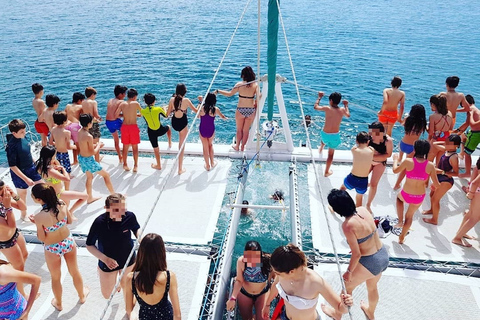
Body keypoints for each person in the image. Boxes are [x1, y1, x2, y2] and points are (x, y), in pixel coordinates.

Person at [327, 189, 388, 320]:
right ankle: (370, 312)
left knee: (346, 287)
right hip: (383, 255)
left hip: (370, 261)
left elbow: (357, 254)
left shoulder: (347, 225)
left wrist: (349, 271)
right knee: (372, 287)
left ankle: (337, 314)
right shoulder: (363, 210)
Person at [29, 183, 88, 311]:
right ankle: (82, 296)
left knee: (56, 277)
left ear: (39, 199)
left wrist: (37, 223)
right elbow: (70, 221)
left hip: (52, 247)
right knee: (75, 271)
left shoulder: (39, 216)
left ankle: (59, 303)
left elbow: (42, 238)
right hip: (67, 241)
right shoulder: (62, 203)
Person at [262, 244, 353, 320]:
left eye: (277, 273)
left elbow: (340, 308)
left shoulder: (316, 282)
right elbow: (275, 286)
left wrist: (346, 305)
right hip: (285, 316)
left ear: (291, 272)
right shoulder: (283, 274)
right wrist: (267, 304)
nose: (275, 275)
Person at [86, 193, 140, 305]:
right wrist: (105, 259)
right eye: (116, 210)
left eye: (123, 209)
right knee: (107, 295)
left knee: (129, 289)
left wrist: (141, 239)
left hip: (128, 259)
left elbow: (136, 229)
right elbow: (89, 245)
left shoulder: (129, 216)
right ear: (106, 208)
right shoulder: (99, 222)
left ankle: (129, 309)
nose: (120, 213)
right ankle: (113, 279)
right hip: (107, 261)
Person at [392, 140, 440, 244]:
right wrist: (433, 186)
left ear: (414, 149)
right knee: (409, 217)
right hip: (419, 196)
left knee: (399, 199)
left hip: (406, 193)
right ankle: (401, 238)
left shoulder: (408, 161)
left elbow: (395, 170)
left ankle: (400, 221)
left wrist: (395, 160)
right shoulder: (430, 165)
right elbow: (437, 185)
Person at [126, 233, 181, 320]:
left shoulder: (131, 278)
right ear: (161, 253)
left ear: (141, 253)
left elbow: (129, 309)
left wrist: (137, 296)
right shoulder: (168, 277)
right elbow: (177, 315)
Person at [35, 145, 89, 219]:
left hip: (54, 191)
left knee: (66, 205)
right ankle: (70, 212)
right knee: (85, 196)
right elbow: (67, 179)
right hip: (59, 193)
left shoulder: (40, 165)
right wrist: (63, 169)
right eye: (55, 154)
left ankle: (67, 216)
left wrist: (55, 162)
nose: (55, 156)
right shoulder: (50, 170)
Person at [6, 119, 43, 221]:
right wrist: (26, 179)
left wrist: (35, 163)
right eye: (22, 132)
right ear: (14, 133)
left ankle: (46, 209)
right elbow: (12, 166)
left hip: (31, 167)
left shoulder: (23, 136)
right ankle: (23, 215)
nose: (24, 133)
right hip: (19, 173)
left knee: (42, 187)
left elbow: (27, 152)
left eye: (24, 131)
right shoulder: (11, 146)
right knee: (23, 194)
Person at [226, 241, 274, 320]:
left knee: (263, 318)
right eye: (249, 256)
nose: (252, 260)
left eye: (255, 256)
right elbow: (239, 280)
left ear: (260, 254)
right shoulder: (242, 261)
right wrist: (233, 298)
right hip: (245, 293)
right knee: (247, 318)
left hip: (263, 293)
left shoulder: (268, 261)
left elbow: (276, 277)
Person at [217, 66, 259, 151]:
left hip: (240, 109)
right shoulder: (255, 85)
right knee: (246, 131)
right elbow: (259, 96)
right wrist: (256, 103)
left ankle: (237, 146)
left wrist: (218, 91)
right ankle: (243, 147)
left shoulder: (239, 85)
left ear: (243, 75)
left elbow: (229, 94)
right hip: (250, 110)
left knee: (239, 130)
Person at [422, 134, 460, 225]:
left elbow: (456, 173)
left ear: (456, 146)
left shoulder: (454, 157)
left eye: (450, 144)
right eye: (447, 143)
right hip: (439, 178)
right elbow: (435, 144)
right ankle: (432, 210)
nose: (447, 145)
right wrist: (447, 143)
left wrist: (442, 172)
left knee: (435, 199)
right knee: (431, 195)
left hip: (446, 180)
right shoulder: (447, 150)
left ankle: (434, 219)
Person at [0, 181, 29, 297]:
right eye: (2, 194)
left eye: (5, 192)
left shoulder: (3, 200)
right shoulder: (4, 203)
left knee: (25, 255)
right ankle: (21, 294)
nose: (4, 196)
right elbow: (10, 227)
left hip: (14, 234)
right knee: (19, 267)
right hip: (6, 242)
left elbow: (23, 207)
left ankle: (12, 277)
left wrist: (14, 196)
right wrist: (8, 207)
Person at [78, 113, 115, 202]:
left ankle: (89, 198)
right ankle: (114, 196)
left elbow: (84, 145)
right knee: (106, 175)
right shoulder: (89, 136)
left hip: (82, 158)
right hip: (89, 160)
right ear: (89, 123)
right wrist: (98, 145)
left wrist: (95, 145)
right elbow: (93, 152)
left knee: (89, 177)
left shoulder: (80, 131)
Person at [314, 91, 350, 177]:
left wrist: (319, 97)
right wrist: (346, 105)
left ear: (330, 101)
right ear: (339, 101)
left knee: (324, 140)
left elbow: (316, 107)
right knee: (330, 154)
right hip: (334, 136)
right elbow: (348, 115)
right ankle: (326, 171)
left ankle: (321, 148)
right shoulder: (342, 110)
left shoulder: (327, 108)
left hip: (325, 133)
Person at [393, 104, 428, 190]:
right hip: (413, 148)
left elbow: (401, 123)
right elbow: (429, 130)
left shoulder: (408, 120)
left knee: (401, 159)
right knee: (405, 168)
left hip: (403, 144)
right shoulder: (422, 124)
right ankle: (397, 184)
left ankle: (398, 162)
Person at [167, 83, 198, 175]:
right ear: (184, 92)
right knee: (181, 145)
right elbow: (197, 111)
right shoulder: (187, 100)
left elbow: (168, 114)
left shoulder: (172, 99)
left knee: (180, 142)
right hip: (183, 123)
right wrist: (200, 102)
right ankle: (180, 168)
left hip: (174, 123)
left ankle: (179, 166)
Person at [365, 122, 393, 214]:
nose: (372, 136)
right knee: (360, 177)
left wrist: (374, 157)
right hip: (369, 161)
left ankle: (368, 204)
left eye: (375, 133)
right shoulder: (369, 138)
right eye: (371, 133)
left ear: (381, 133)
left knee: (373, 184)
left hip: (380, 163)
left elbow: (388, 155)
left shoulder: (388, 141)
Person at [340, 131, 374, 207]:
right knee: (359, 198)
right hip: (363, 181)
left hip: (352, 178)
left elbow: (355, 147)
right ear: (368, 141)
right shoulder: (371, 151)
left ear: (356, 141)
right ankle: (357, 212)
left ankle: (335, 205)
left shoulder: (354, 150)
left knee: (342, 189)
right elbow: (370, 148)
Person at [452, 157, 480, 247]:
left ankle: (461, 233)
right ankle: (457, 238)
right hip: (478, 193)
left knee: (470, 215)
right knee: (474, 218)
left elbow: (475, 171)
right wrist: (471, 193)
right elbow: (475, 182)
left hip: (477, 191)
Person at [141, 93, 172, 170]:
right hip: (160, 130)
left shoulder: (143, 111)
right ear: (154, 101)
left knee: (156, 149)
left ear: (145, 102)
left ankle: (158, 165)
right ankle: (170, 142)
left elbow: (140, 114)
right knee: (168, 127)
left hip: (151, 132)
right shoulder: (158, 109)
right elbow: (166, 116)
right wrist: (164, 108)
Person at [198, 92, 227, 171]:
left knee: (205, 147)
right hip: (211, 130)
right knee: (210, 145)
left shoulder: (201, 107)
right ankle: (212, 162)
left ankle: (207, 165)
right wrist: (226, 118)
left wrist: (200, 102)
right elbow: (222, 117)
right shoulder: (215, 109)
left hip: (202, 129)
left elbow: (197, 116)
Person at [50, 111, 76, 190]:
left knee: (59, 168)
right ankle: (67, 189)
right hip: (64, 154)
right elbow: (68, 147)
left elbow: (51, 142)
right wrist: (76, 147)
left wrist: (57, 144)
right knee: (66, 170)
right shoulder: (67, 132)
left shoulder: (53, 129)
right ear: (65, 121)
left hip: (57, 153)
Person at [120, 88, 142, 172]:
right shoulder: (135, 103)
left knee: (125, 147)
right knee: (135, 147)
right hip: (133, 127)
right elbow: (142, 113)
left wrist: (126, 115)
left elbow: (116, 114)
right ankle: (135, 166)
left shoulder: (123, 104)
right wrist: (135, 114)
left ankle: (125, 164)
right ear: (134, 96)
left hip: (125, 126)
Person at [427, 94, 453, 163]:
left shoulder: (433, 116)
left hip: (436, 140)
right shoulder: (450, 113)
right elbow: (450, 128)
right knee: (439, 162)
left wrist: (425, 127)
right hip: (446, 140)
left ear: (433, 104)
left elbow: (430, 132)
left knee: (429, 161)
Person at [459, 95, 480, 178]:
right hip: (473, 131)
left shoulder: (471, 110)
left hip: (475, 134)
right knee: (463, 135)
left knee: (468, 153)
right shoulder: (474, 108)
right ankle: (461, 153)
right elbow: (467, 123)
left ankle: (467, 172)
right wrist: (458, 130)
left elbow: (472, 124)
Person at [106, 85, 127, 163]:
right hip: (115, 121)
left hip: (108, 122)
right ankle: (125, 154)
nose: (125, 95)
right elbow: (117, 115)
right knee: (127, 135)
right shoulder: (121, 102)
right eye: (124, 93)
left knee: (116, 140)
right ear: (120, 94)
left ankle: (120, 157)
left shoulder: (110, 100)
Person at [82, 87, 102, 162]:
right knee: (96, 142)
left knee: (89, 142)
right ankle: (97, 160)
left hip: (85, 124)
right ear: (93, 94)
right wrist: (99, 118)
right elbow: (96, 114)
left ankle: (90, 158)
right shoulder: (93, 102)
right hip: (93, 123)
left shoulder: (83, 102)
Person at [65, 92, 85, 165]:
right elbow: (83, 117)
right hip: (75, 126)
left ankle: (75, 160)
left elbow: (64, 115)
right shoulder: (80, 107)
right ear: (79, 100)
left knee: (74, 145)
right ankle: (81, 162)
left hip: (67, 125)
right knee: (78, 145)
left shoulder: (68, 106)